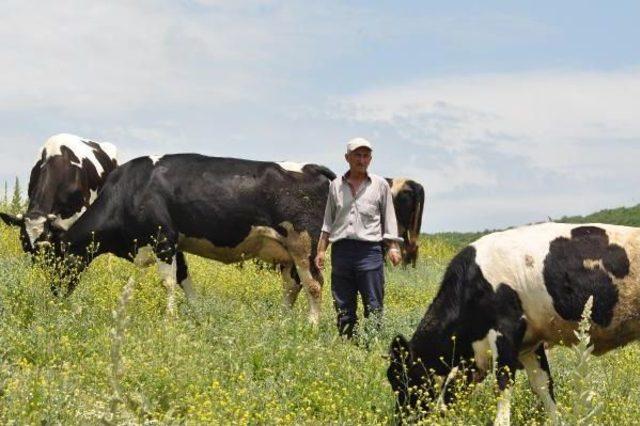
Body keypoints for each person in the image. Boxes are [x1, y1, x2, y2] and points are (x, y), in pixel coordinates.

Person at [315, 137, 402, 337]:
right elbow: (328, 221)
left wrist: (393, 248)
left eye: (366, 156)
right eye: (357, 156)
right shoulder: (335, 185)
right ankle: (348, 344)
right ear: (347, 158)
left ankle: (372, 344)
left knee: (373, 303)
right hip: (342, 251)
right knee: (343, 304)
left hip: (369, 252)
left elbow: (389, 218)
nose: (361, 160)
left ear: (370, 159)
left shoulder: (380, 185)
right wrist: (321, 250)